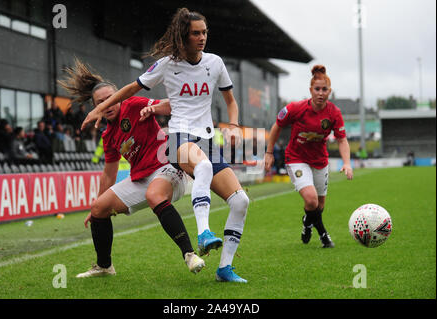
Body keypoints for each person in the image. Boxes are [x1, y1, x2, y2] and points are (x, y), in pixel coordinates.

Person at [81, 8, 249, 283]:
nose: (202, 37)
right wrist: (100, 109)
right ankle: (204, 233)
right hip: (179, 138)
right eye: (196, 33)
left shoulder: (216, 63)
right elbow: (130, 88)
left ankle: (225, 268)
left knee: (241, 201)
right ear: (184, 35)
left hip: (205, 140)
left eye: (204, 32)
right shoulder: (167, 65)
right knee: (202, 166)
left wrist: (233, 126)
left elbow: (230, 101)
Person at [59, 58, 205, 278]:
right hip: (141, 177)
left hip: (168, 167)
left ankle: (190, 255)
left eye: (110, 98)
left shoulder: (135, 104)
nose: (107, 104)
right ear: (96, 107)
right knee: (99, 208)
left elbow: (173, 105)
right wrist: (97, 207)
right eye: (101, 102)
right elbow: (109, 172)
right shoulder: (108, 135)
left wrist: (153, 108)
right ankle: (104, 267)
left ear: (119, 97)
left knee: (154, 194)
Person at [265, 65, 353, 248]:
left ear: (330, 91)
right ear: (310, 90)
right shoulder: (296, 108)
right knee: (311, 199)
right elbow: (277, 126)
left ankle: (307, 223)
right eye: (317, 89)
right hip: (296, 159)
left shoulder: (334, 113)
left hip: (320, 161)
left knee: (318, 206)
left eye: (324, 89)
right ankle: (324, 236)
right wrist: (269, 152)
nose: (321, 93)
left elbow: (342, 140)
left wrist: (347, 163)